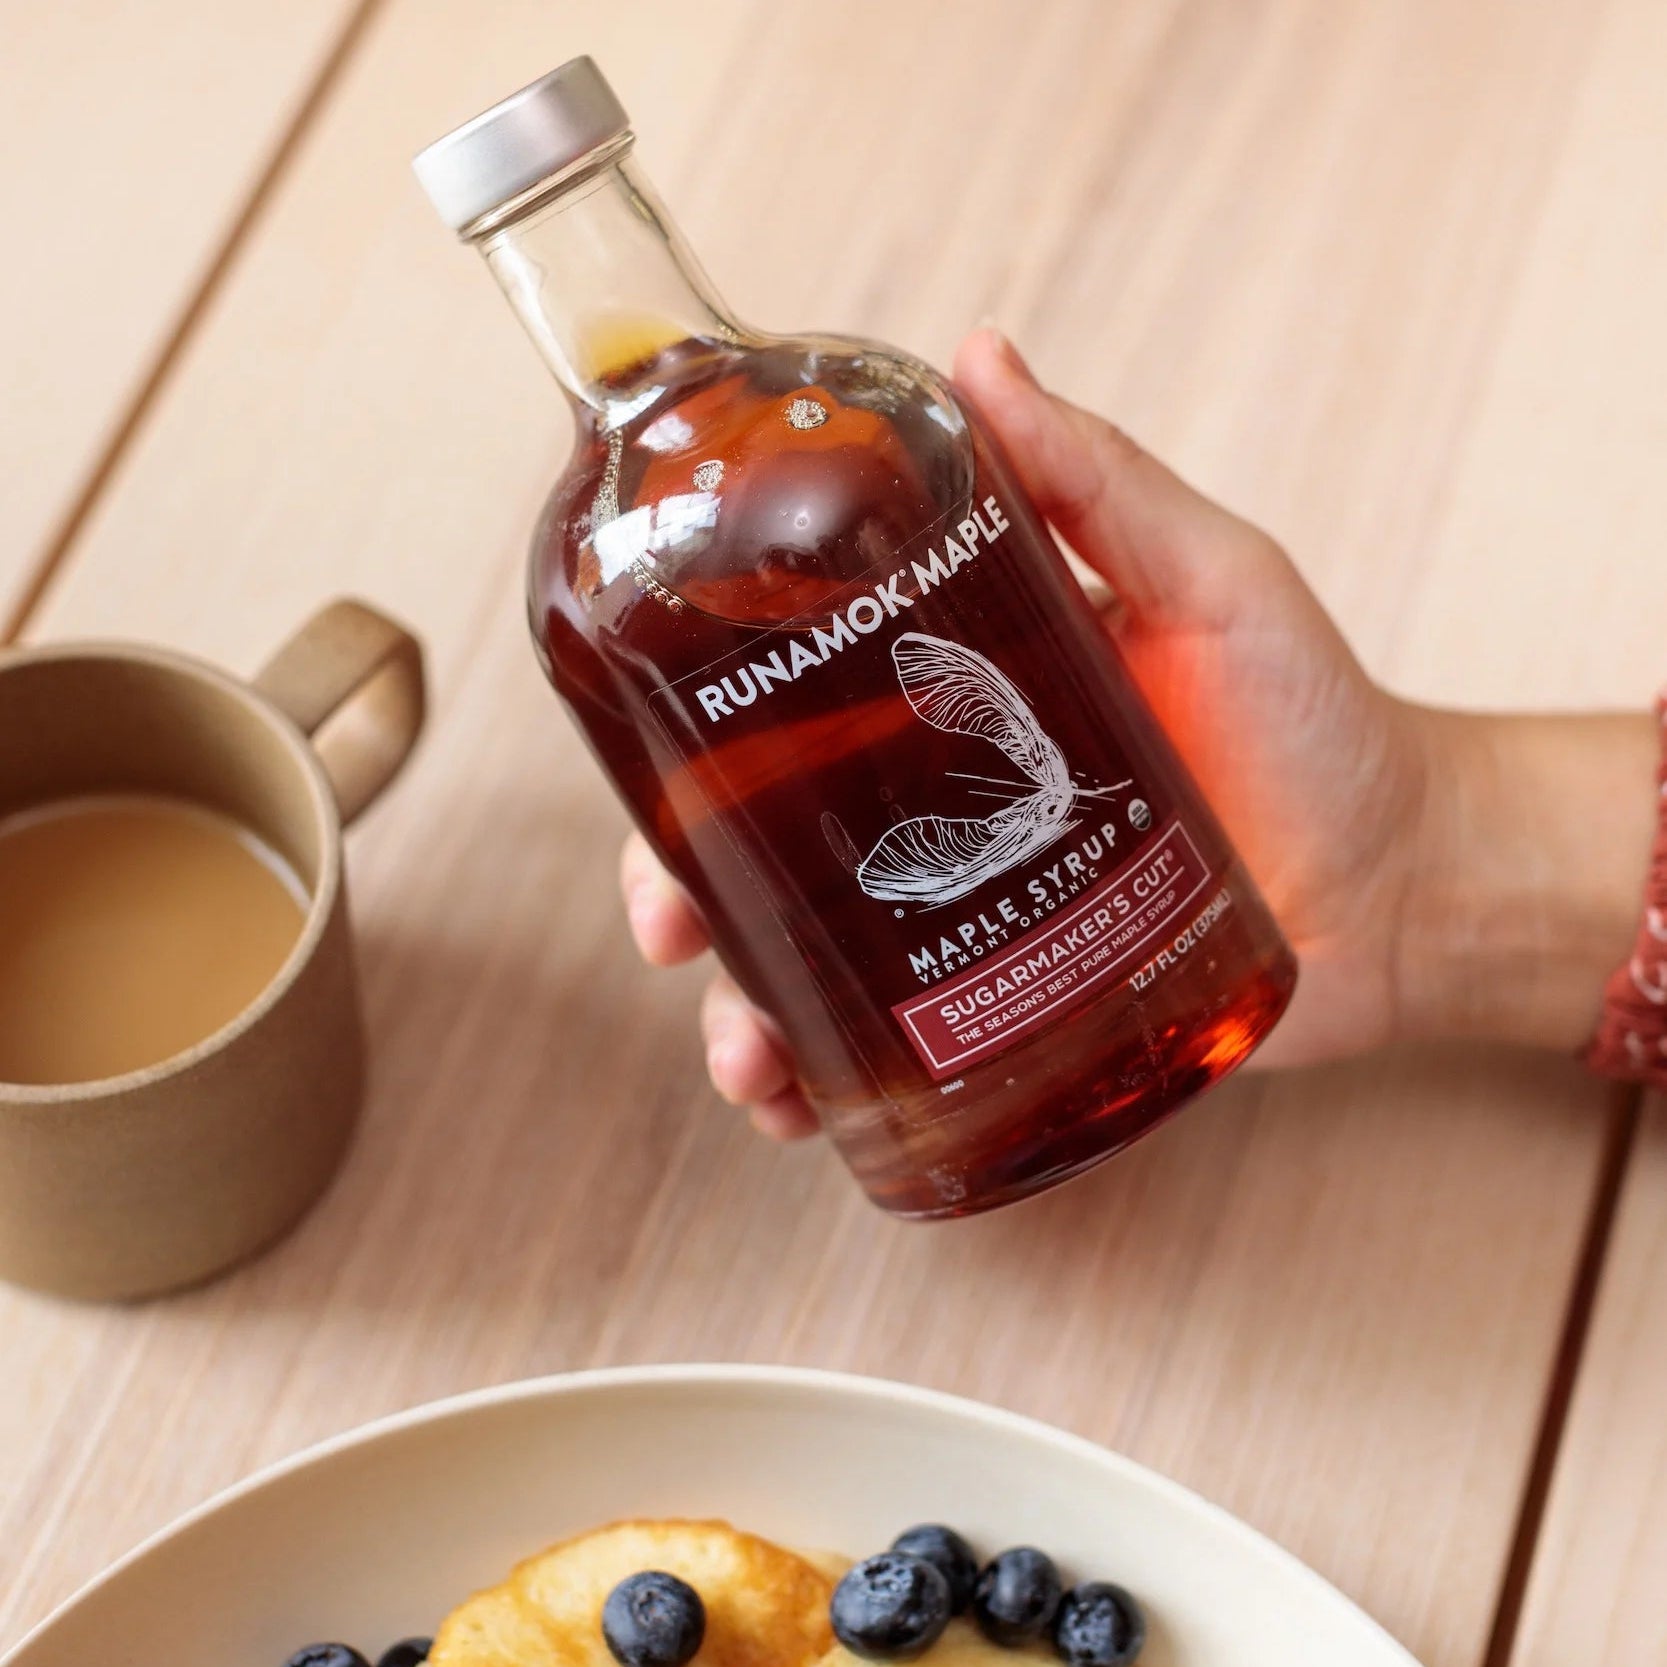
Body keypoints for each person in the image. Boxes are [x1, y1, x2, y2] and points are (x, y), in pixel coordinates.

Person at [618, 328, 1664, 1140]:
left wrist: (1414, 852)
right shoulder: (598, 566)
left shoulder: (862, 402)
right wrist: (1414, 867)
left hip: (1191, 923)